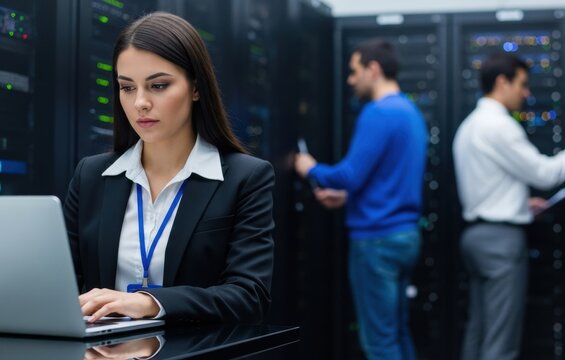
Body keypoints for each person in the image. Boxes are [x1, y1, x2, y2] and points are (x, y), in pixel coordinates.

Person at [63, 12, 274, 324]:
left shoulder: (245, 178)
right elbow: (61, 285)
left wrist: (150, 303)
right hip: (104, 352)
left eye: (158, 85)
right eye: (127, 87)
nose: (140, 103)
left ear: (196, 88)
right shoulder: (91, 176)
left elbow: (249, 295)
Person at [452, 52, 565, 360]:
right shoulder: (499, 125)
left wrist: (518, 201)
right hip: (501, 242)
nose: (526, 93)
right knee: (500, 343)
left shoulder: (470, 126)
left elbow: (487, 183)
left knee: (479, 332)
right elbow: (546, 174)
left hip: (476, 238)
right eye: (522, 84)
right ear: (502, 82)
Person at [294, 39, 428, 360]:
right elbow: (387, 179)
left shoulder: (378, 113)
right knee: (397, 331)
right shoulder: (409, 111)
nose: (350, 80)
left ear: (374, 69)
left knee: (379, 343)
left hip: (377, 240)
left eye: (354, 71)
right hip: (405, 236)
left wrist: (309, 167)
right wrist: (348, 199)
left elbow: (349, 175)